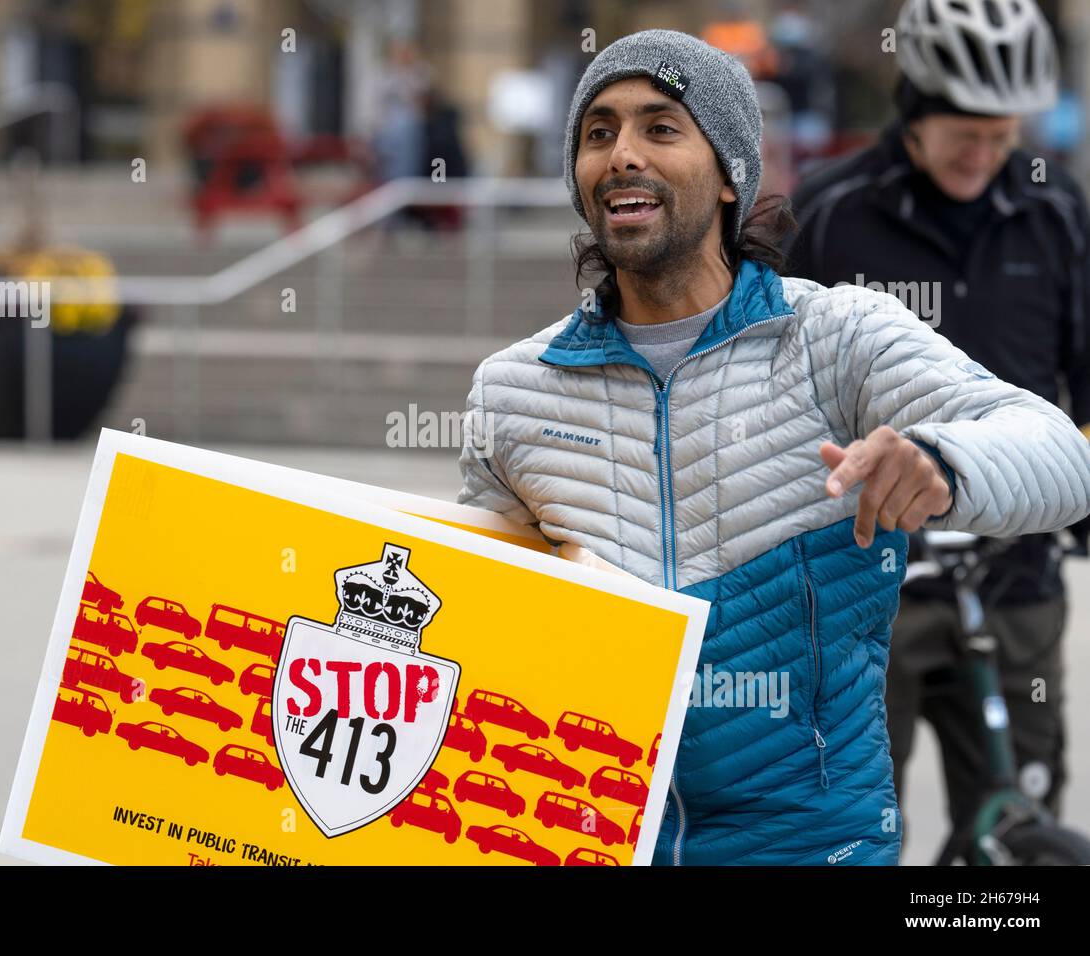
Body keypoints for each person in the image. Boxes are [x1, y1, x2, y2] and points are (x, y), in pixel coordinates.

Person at [455, 28, 1090, 865]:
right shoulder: (511, 389)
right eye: (598, 133)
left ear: (729, 173)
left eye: (661, 127)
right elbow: (479, 645)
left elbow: (1059, 452)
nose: (622, 155)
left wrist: (940, 463)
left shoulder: (835, 337)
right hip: (595, 842)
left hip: (811, 848)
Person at [786, 0, 1090, 859]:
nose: (985, 155)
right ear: (913, 105)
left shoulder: (1056, 210)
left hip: (1017, 583)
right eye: (965, 132)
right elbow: (770, 392)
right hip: (865, 591)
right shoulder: (831, 213)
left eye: (1002, 136)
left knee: (1016, 844)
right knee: (850, 831)